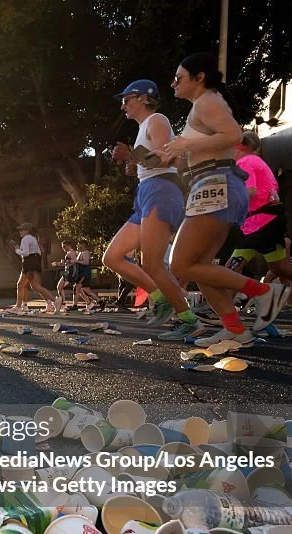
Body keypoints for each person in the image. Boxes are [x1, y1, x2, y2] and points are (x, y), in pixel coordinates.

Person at [157, 54, 287, 347]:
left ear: (199, 77)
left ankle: (264, 293)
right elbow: (205, 150)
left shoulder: (207, 102)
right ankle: (236, 329)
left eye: (178, 77)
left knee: (180, 265)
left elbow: (232, 135)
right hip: (211, 184)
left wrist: (187, 144)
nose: (173, 83)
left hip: (217, 185)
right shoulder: (201, 107)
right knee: (200, 267)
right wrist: (172, 156)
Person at [104, 79, 200, 340]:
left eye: (127, 99)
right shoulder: (142, 128)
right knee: (111, 258)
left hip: (161, 190)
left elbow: (165, 158)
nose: (123, 105)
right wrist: (131, 165)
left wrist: (132, 155)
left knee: (153, 264)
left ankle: (189, 319)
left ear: (144, 98)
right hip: (147, 191)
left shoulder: (157, 119)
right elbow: (147, 163)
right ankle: (162, 298)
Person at [225, 131, 292, 291]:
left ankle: (227, 309)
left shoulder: (246, 162)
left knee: (231, 269)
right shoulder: (260, 163)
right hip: (269, 221)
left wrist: (225, 202)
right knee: (281, 268)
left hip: (257, 225)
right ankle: (229, 307)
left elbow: (250, 191)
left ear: (239, 147)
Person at [10, 222, 56, 313]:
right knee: (35, 286)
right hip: (34, 262)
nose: (19, 231)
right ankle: (51, 302)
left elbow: (26, 253)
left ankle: (18, 307)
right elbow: (39, 252)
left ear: (27, 230)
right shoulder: (32, 239)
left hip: (29, 263)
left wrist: (17, 250)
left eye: (21, 230)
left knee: (21, 284)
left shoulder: (25, 238)